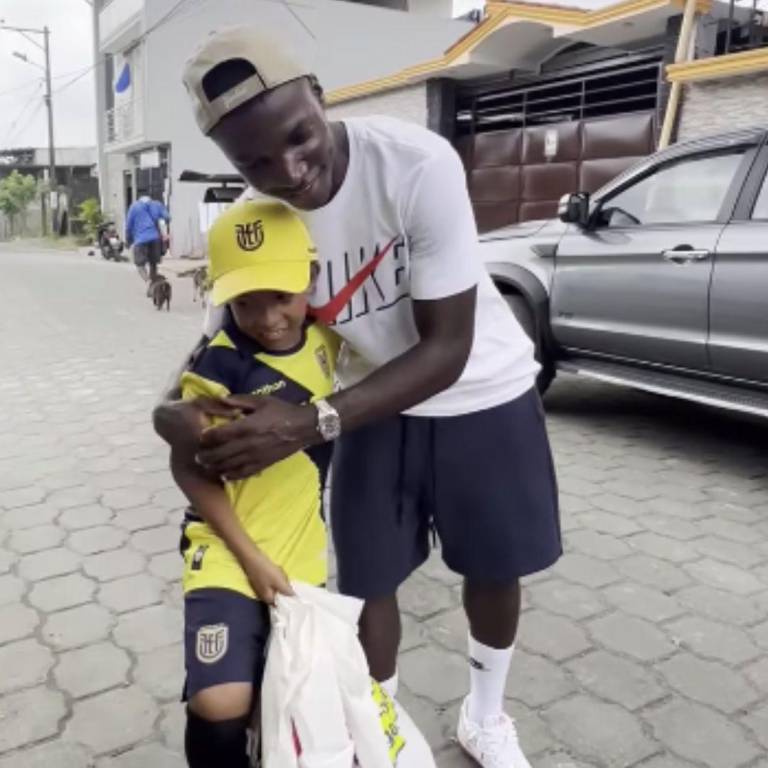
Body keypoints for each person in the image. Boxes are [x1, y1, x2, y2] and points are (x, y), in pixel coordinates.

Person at [157, 26, 561, 768]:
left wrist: (307, 425)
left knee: (492, 567)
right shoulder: (263, 213)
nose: (289, 170)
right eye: (254, 161)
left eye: (299, 137)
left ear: (317, 92)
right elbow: (226, 333)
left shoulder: (415, 164)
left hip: (479, 392)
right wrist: (173, 411)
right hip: (368, 403)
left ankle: (485, 716)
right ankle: (376, 725)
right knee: (369, 581)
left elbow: (446, 348)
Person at [171, 198, 338, 768]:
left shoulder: (330, 343)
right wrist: (251, 559)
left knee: (287, 695)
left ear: (311, 281)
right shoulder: (219, 367)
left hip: (303, 556)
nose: (268, 318)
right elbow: (186, 465)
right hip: (227, 550)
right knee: (221, 700)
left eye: (283, 297)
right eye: (246, 302)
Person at [125, 191, 170, 283]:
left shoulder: (134, 207)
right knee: (153, 263)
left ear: (139, 198)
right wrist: (164, 224)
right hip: (155, 238)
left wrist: (128, 241)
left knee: (140, 264)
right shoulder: (157, 205)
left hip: (140, 240)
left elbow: (128, 226)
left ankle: (148, 281)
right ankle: (154, 281)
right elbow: (167, 217)